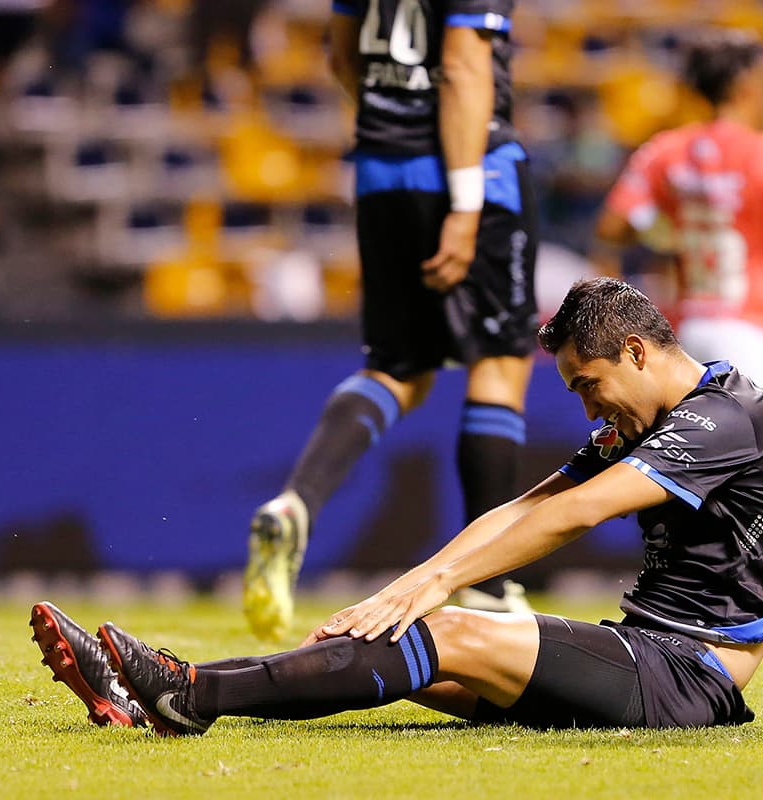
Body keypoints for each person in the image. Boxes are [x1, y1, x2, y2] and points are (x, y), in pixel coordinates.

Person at [31, 278, 763, 733]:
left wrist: (431, 591)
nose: (589, 412)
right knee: (386, 645)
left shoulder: (722, 417)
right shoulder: (655, 418)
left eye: (589, 386)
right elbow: (526, 505)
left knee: (443, 629)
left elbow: (577, 515)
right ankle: (160, 687)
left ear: (636, 353)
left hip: (690, 678)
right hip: (648, 654)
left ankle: (185, 694)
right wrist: (409, 584)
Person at [243, 0, 539, 640]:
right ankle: (485, 584)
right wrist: (464, 203)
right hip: (471, 168)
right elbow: (462, 66)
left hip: (381, 171)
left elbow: (344, 54)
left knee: (400, 367)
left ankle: (298, 502)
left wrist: (393, 130)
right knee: (500, 359)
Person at [596, 31, 763, 461]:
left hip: (691, 333)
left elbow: (613, 224)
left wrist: (670, 229)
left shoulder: (667, 150)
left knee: (700, 475)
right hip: (758, 330)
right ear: (747, 86)